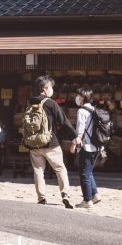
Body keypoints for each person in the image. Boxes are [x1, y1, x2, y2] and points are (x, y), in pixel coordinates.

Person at [24, 76, 76, 208]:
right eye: (51, 87)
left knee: (38, 171)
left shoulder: (30, 102)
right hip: (50, 142)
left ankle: (41, 198)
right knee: (60, 169)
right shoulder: (50, 103)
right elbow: (63, 121)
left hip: (34, 143)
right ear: (45, 89)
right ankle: (65, 194)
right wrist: (74, 136)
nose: (52, 89)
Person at [72, 86, 102, 209]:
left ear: (83, 98)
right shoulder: (94, 110)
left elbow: (80, 130)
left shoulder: (81, 111)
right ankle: (94, 195)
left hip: (87, 146)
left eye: (78, 96)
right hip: (97, 146)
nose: (77, 98)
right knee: (88, 172)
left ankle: (87, 200)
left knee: (84, 174)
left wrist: (75, 142)